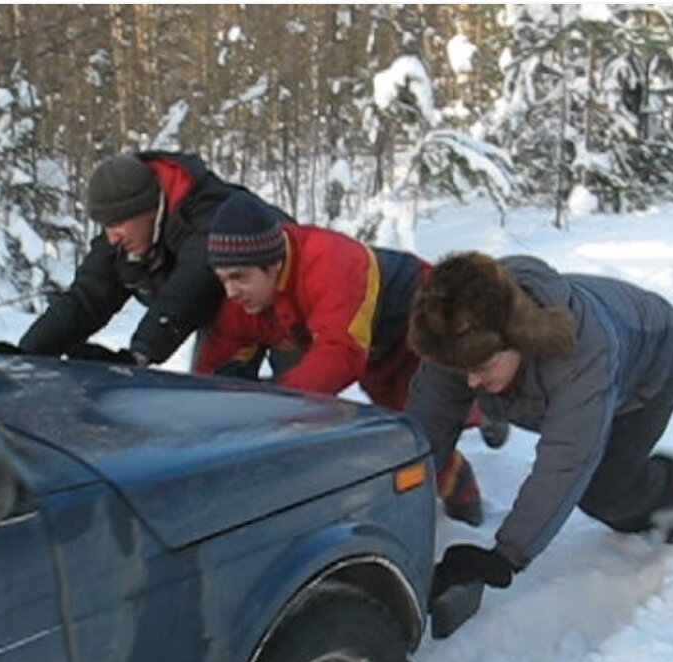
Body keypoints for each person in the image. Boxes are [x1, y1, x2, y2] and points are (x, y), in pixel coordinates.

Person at [407, 251, 673, 636]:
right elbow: (425, 428)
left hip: (651, 365)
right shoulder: (461, 329)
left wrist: (503, 557)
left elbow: (565, 462)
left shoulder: (583, 354)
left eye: (481, 368)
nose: (469, 381)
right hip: (556, 380)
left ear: (517, 338)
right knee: (492, 393)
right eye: (462, 369)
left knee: (604, 490)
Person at [196, 192, 490, 525]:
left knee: (425, 435)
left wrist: (273, 406)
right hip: (377, 352)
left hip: (425, 325)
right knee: (407, 433)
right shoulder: (243, 300)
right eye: (223, 280)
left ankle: (470, 495)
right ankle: (479, 419)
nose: (231, 292)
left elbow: (341, 354)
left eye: (239, 277)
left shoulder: (330, 260)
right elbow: (216, 362)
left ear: (274, 264)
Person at [12, 151, 289, 366]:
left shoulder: (207, 213)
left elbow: (192, 284)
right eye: (105, 225)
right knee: (217, 402)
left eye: (119, 222)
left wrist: (140, 353)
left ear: (150, 209)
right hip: (227, 322)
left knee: (301, 401)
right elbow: (86, 298)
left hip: (284, 300)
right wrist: (22, 356)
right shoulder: (124, 235)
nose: (112, 237)